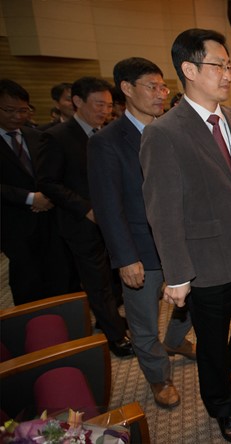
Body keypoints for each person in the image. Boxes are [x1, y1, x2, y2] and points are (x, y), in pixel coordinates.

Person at [139, 28, 231, 444]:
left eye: (230, 66)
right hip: (206, 261)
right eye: (220, 65)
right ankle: (221, 407)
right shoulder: (164, 132)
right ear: (190, 69)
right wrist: (177, 274)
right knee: (211, 343)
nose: (229, 73)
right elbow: (162, 211)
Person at [87, 57, 196, 409]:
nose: (161, 94)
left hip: (182, 243)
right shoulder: (107, 142)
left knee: (194, 303)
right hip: (140, 250)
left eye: (164, 87)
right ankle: (158, 376)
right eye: (153, 86)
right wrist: (125, 258)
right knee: (144, 321)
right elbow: (108, 206)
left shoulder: (172, 130)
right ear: (127, 89)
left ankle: (175, 340)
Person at [36, 76, 133, 358]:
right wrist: (85, 208)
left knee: (113, 278)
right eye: (98, 104)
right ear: (78, 101)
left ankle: (109, 318)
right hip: (82, 223)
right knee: (97, 280)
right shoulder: (57, 137)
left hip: (113, 220)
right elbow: (48, 182)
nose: (105, 110)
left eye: (108, 105)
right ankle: (116, 336)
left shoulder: (107, 134)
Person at [0, 79, 74, 305]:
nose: (17, 116)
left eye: (23, 110)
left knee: (59, 274)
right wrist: (30, 198)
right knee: (27, 279)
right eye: (9, 110)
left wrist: (48, 195)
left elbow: (52, 173)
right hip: (14, 222)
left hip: (50, 218)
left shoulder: (36, 135)